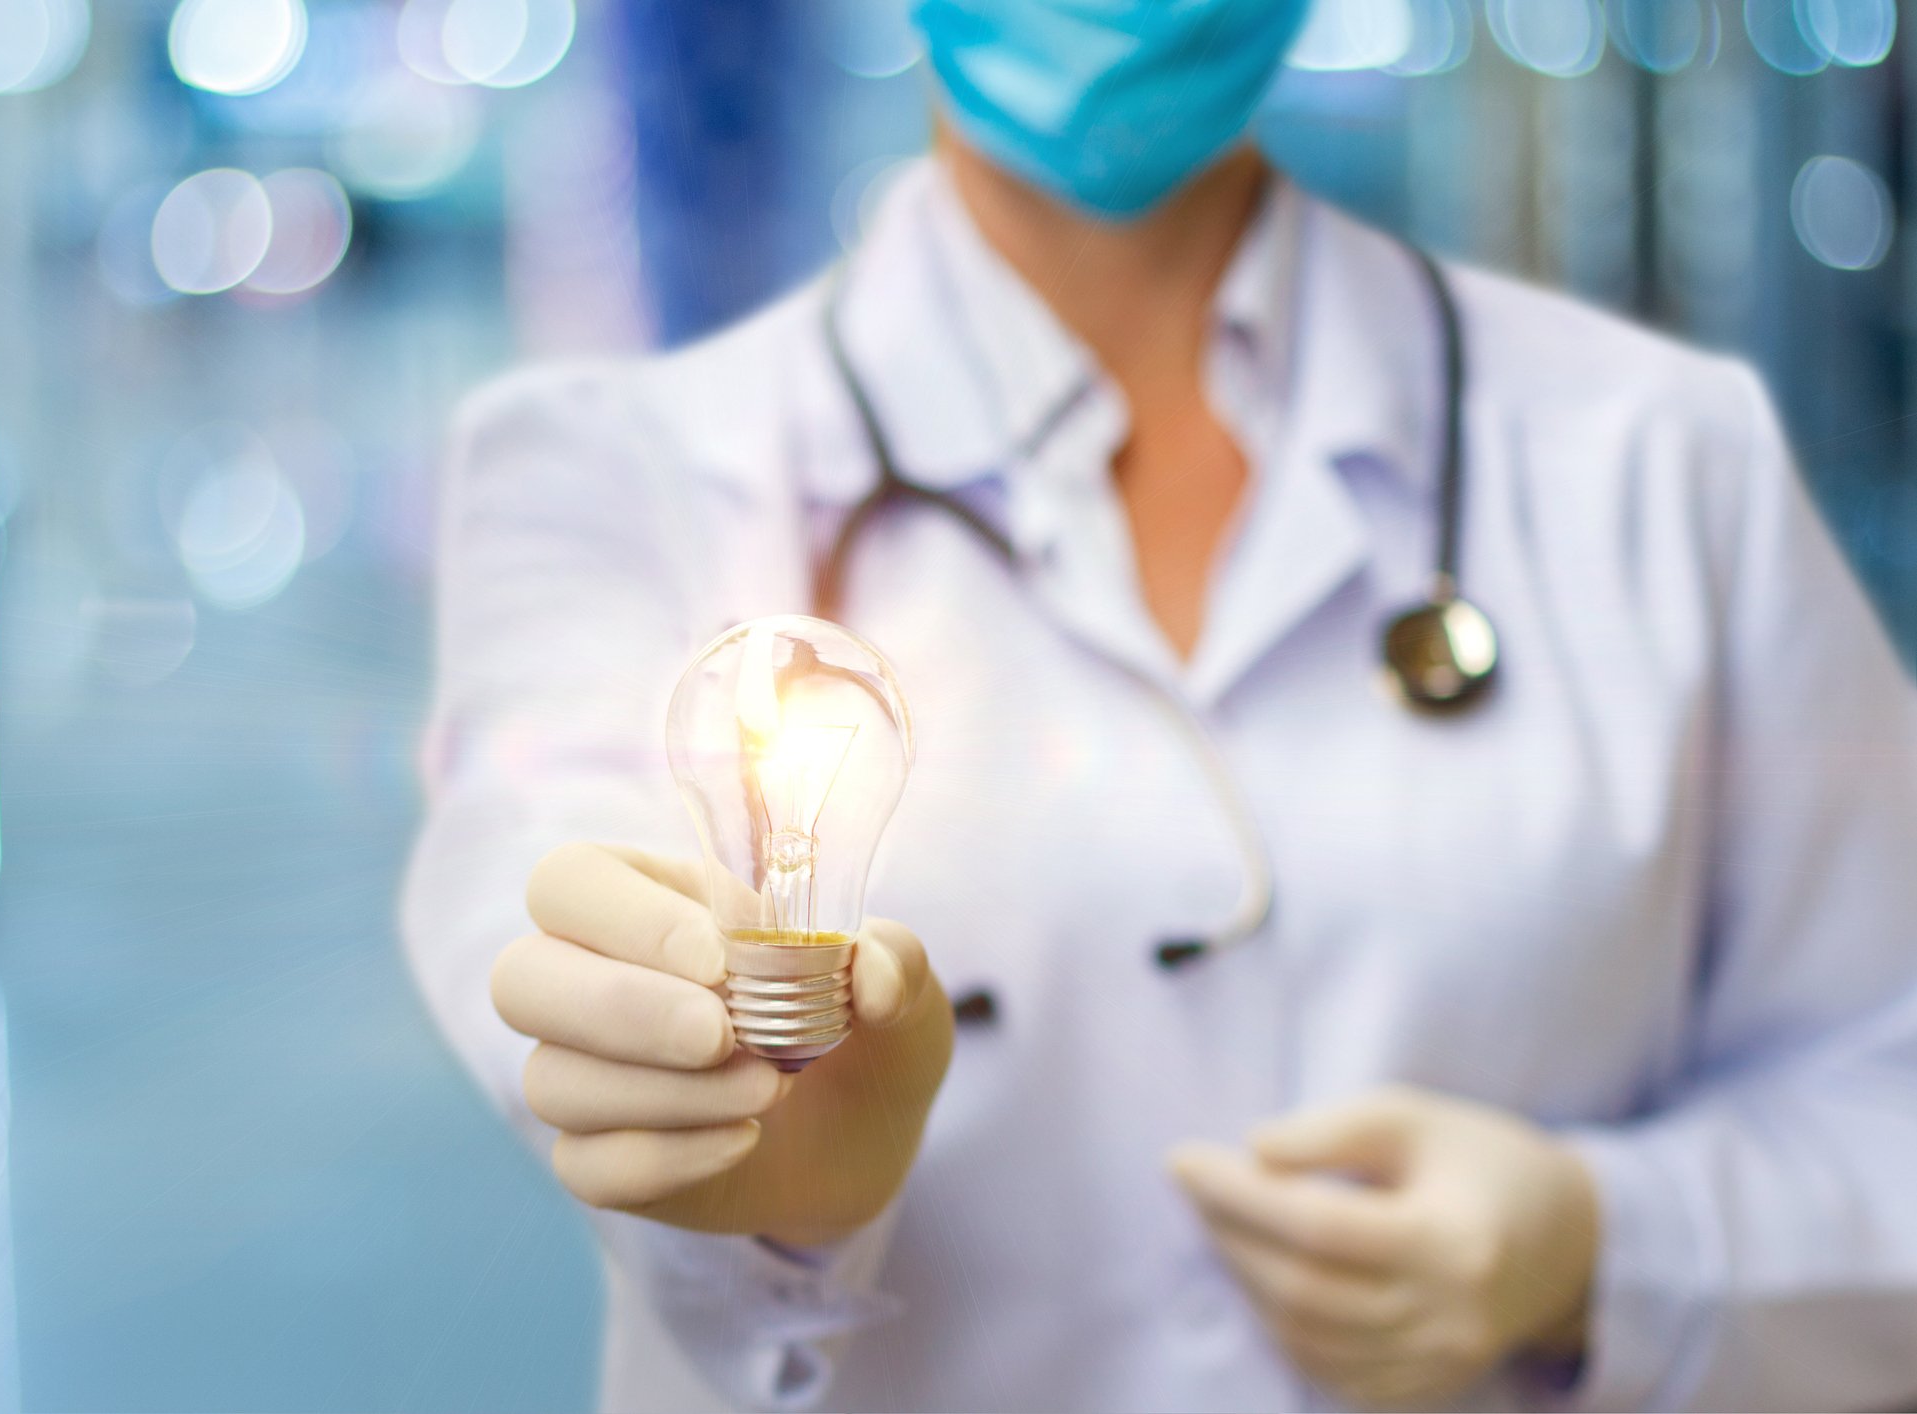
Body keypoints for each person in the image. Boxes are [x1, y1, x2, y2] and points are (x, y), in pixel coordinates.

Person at [401, 1, 1917, 1409]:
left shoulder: (1670, 463)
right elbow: (543, 868)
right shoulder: (600, 478)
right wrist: (729, 1119)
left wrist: (1602, 1244)